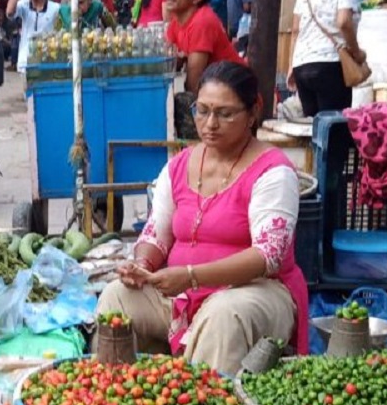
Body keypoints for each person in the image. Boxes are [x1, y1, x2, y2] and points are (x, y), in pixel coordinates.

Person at [95, 62, 307, 374]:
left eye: (225, 113)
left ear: (253, 111)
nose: (209, 124)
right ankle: (115, 396)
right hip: (184, 293)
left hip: (258, 290)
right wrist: (141, 265)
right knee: (118, 295)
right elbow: (155, 234)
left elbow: (268, 256)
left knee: (224, 313)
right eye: (202, 110)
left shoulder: (274, 171)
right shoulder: (179, 166)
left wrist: (192, 276)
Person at [289, 0, 366, 117]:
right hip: (329, 65)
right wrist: (356, 53)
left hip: (302, 65)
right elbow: (344, 22)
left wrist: (291, 65)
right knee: (333, 132)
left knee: (313, 130)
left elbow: (296, 29)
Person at [165, 0, 245, 139]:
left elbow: (194, 83)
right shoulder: (176, 23)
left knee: (182, 102)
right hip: (215, 93)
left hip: (233, 94)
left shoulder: (202, 21)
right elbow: (169, 62)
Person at [6, 0, 59, 72]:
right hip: (25, 64)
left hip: (47, 64)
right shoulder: (23, 5)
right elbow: (10, 11)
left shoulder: (55, 9)